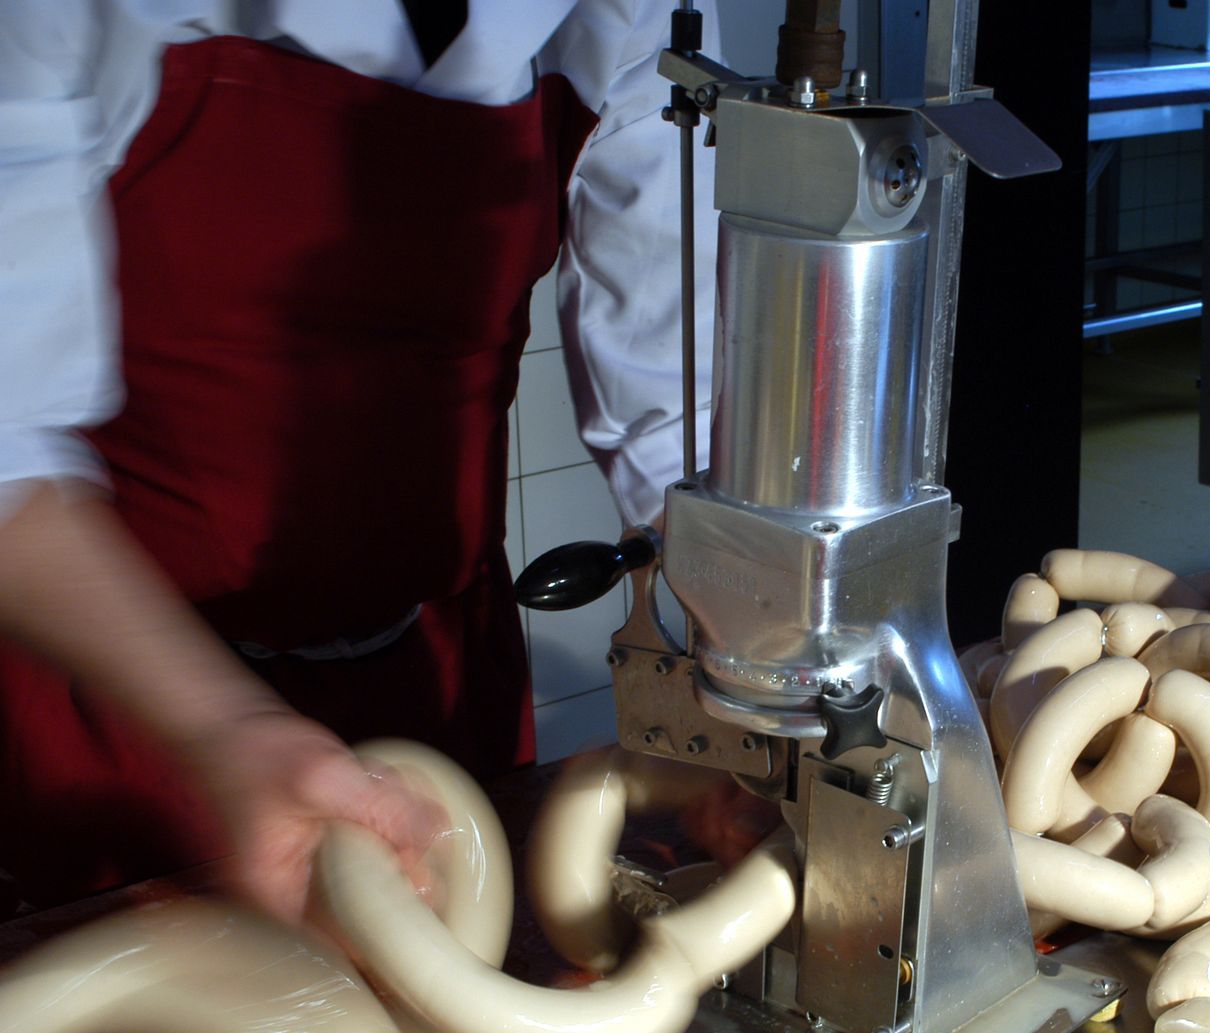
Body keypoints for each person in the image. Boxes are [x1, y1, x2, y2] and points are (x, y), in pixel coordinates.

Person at [0, 1, 718, 921]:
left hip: (443, 674)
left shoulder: (622, 12)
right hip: (116, 684)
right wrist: (223, 724)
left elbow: (678, 415)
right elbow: (10, 440)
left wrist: (739, 677)